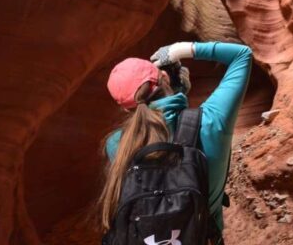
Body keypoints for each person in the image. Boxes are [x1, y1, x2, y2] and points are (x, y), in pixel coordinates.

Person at [97, 41, 252, 243]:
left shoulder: (116, 144)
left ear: (126, 108)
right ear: (164, 77)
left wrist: (173, 91)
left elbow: (157, 132)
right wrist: (181, 49)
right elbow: (242, 55)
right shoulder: (210, 122)